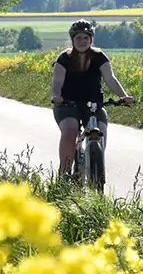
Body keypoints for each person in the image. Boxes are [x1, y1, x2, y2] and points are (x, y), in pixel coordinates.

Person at [50, 21, 134, 180]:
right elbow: (57, 83)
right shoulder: (64, 58)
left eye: (86, 38)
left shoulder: (99, 57)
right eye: (79, 37)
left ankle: (97, 162)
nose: (82, 41)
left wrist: (124, 96)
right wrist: (56, 97)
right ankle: (64, 173)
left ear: (91, 40)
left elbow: (111, 79)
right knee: (70, 130)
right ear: (72, 39)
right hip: (67, 103)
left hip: (94, 103)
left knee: (100, 130)